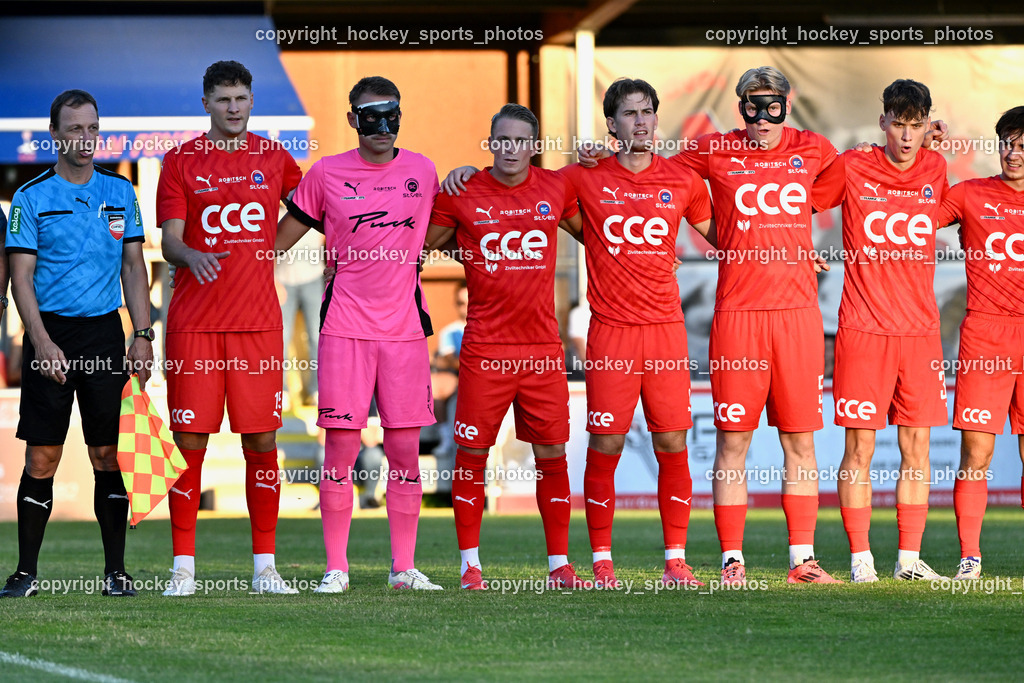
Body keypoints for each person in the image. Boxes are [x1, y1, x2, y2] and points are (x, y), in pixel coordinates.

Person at [445, 79, 715, 588]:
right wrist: (466, 176)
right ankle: (601, 562)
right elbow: (516, 188)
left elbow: (724, 234)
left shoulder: (681, 180)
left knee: (673, 441)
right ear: (611, 124)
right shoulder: (578, 178)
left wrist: (784, 245)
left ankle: (676, 560)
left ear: (657, 119)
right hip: (609, 332)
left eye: (648, 112)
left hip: (666, 332)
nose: (640, 121)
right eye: (629, 113)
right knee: (606, 444)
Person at [669, 67, 845, 584]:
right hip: (739, 317)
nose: (762, 118)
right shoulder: (712, 149)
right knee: (732, 442)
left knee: (801, 441)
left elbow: (862, 181)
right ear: (740, 106)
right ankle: (731, 560)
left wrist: (929, 138)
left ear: (786, 106)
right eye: (752, 105)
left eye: (773, 106)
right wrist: (662, 237)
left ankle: (803, 561)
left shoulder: (813, 148)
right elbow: (653, 177)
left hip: (797, 317)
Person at [276, 76, 442, 592]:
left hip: (405, 334)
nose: (382, 126)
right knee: (340, 453)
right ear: (352, 119)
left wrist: (464, 178)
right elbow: (274, 242)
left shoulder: (423, 170)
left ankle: (404, 568)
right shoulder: (325, 174)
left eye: (391, 114)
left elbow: (451, 223)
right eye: (370, 116)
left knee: (405, 456)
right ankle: (336, 569)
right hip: (344, 330)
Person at [425, 103, 586, 590]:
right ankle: (470, 566)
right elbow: (420, 246)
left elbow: (598, 235)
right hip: (485, 351)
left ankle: (560, 565)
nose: (511, 148)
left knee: (552, 454)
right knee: (472, 453)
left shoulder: (556, 187)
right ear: (490, 142)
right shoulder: (463, 191)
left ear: (533, 146)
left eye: (521, 141)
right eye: (503, 140)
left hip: (542, 351)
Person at [156, 61, 302, 596]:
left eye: (241, 98)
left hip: (258, 324)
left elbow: (310, 206)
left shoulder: (273, 156)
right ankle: (183, 569)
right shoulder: (180, 162)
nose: (233, 108)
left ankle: (265, 568)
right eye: (222, 99)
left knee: (262, 441)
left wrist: (272, 247)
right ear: (205, 104)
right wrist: (191, 254)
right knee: (189, 441)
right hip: (194, 325)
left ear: (251, 100)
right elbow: (170, 240)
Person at [1, 90, 153, 597]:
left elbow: (135, 266)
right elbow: (20, 279)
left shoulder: (122, 192)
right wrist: (40, 342)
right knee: (42, 457)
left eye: (91, 128)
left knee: (107, 454)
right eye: (74, 129)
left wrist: (143, 333)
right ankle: (25, 574)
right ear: (54, 135)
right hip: (52, 334)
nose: (84, 139)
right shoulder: (30, 197)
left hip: (105, 336)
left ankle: (115, 573)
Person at [814, 80, 950, 583]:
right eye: (899, 124)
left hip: (920, 333)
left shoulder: (937, 166)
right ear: (883, 122)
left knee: (917, 448)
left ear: (926, 124)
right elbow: (797, 202)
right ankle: (860, 560)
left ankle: (909, 560)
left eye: (917, 126)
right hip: (863, 329)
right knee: (860, 449)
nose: (908, 136)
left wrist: (936, 135)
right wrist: (797, 248)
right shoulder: (851, 166)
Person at [939, 106, 1024, 581]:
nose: (1013, 153)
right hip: (986, 334)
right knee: (977, 451)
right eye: (1007, 143)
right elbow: (913, 215)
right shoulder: (971, 195)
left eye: (1022, 145)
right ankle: (970, 557)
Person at [277, 229, 324, 411]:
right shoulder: (276, 211)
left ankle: (317, 390)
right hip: (282, 281)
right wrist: (272, 279)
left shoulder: (317, 208)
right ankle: (282, 391)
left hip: (313, 278)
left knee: (317, 336)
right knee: (281, 337)